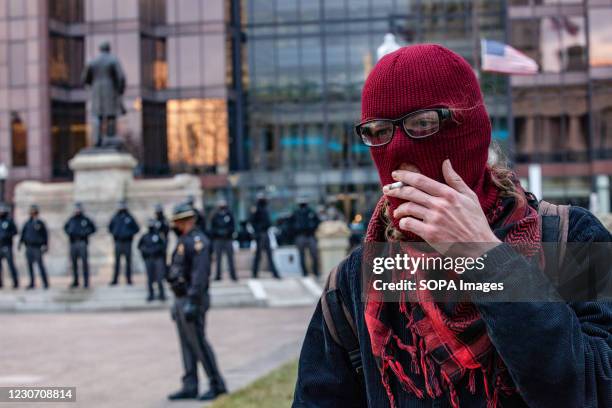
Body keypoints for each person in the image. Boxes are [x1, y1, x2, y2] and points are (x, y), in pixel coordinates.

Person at [294, 45, 612, 407]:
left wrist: (485, 256)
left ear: (470, 128)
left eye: (423, 124)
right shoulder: (355, 280)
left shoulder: (568, 237)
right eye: (378, 131)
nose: (397, 148)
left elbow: (596, 388)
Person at [166, 202, 227, 401]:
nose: (175, 225)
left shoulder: (199, 241)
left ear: (187, 221)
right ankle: (190, 385)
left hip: (193, 299)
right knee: (186, 344)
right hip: (181, 298)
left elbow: (199, 275)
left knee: (199, 343)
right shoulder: (185, 240)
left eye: (178, 221)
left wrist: (192, 300)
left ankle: (217, 384)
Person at [64, 203, 96, 289]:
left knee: (84, 263)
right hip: (73, 242)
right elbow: (65, 228)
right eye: (76, 209)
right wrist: (70, 233)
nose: (77, 210)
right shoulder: (71, 219)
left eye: (78, 209)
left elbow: (93, 228)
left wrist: (85, 233)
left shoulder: (85, 219)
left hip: (82, 242)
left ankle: (86, 282)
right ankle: (76, 281)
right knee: (74, 263)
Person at [108, 200, 139, 285]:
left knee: (128, 262)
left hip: (127, 242)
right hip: (118, 242)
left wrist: (129, 234)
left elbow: (136, 228)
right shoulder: (115, 217)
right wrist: (115, 234)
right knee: (117, 262)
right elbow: (110, 227)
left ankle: (128, 279)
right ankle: (115, 279)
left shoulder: (129, 217)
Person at [249, 194, 280, 279]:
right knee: (258, 256)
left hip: (266, 234)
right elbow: (252, 222)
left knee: (269, 255)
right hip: (260, 234)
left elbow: (268, 222)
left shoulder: (265, 209)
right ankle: (254, 274)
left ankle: (275, 273)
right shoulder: (256, 209)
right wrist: (258, 231)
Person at [18, 204, 49, 289]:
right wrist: (20, 244)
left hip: (37, 247)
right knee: (29, 266)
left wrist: (46, 245)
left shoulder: (40, 223)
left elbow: (45, 235)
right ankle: (32, 282)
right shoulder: (27, 223)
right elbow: (23, 234)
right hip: (29, 247)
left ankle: (45, 282)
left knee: (40, 265)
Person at [290, 198, 320, 277]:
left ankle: (315, 271)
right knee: (301, 255)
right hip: (300, 235)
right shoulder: (296, 212)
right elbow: (291, 223)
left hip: (310, 235)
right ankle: (304, 273)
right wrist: (295, 231)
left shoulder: (311, 211)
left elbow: (317, 221)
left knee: (314, 254)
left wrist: (313, 228)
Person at [138, 219, 166, 302]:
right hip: (149, 259)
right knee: (150, 278)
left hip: (158, 258)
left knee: (159, 277)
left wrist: (156, 250)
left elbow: (163, 246)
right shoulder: (145, 236)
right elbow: (140, 246)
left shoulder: (158, 236)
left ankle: (162, 294)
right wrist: (146, 251)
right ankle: (151, 294)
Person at [210, 199, 237, 281]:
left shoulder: (229, 214)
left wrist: (227, 232)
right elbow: (212, 228)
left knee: (230, 258)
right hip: (218, 239)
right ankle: (218, 275)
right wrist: (218, 232)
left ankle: (233, 275)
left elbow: (233, 227)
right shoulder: (215, 215)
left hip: (228, 239)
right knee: (218, 259)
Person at [0, 203, 18, 289]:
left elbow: (15, 231)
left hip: (7, 246)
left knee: (11, 265)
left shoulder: (9, 221)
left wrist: (6, 235)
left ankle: (15, 282)